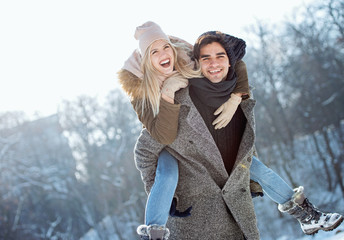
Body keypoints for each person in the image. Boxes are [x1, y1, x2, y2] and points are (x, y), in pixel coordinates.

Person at [119, 22, 343, 239]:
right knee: (167, 173)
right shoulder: (142, 95)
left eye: (166, 46)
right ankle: (153, 233)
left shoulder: (189, 62)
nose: (163, 53)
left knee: (258, 169)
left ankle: (304, 214)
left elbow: (235, 62)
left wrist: (236, 98)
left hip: (216, 144)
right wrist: (167, 94)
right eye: (154, 51)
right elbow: (161, 137)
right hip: (175, 152)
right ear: (146, 60)